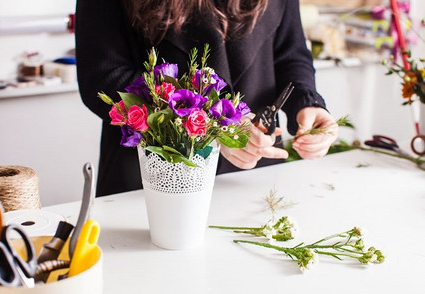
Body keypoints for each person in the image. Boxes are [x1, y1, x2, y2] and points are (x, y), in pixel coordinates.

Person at [75, 0, 338, 197]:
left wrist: (307, 102)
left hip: (255, 171)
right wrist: (216, 126)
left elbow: (289, 53)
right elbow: (103, 76)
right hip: (152, 178)